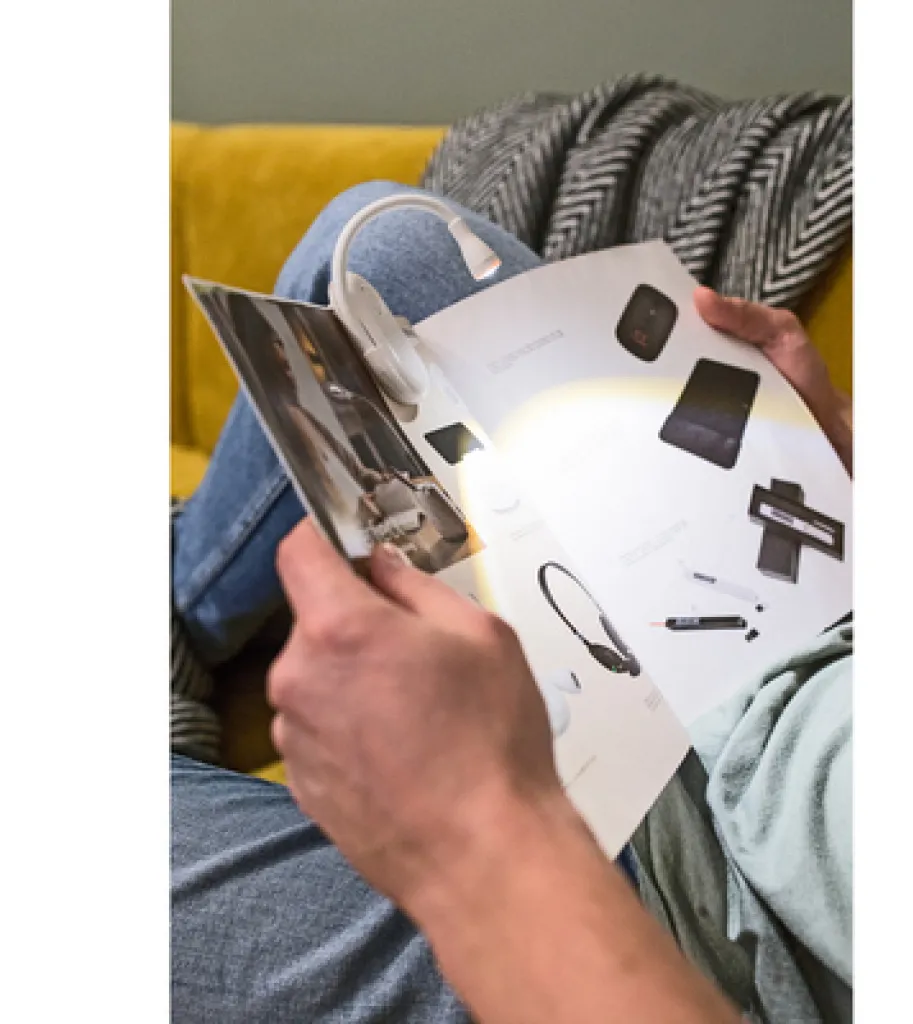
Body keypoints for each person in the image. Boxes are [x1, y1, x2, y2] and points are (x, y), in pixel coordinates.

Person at [171, 182, 853, 1024]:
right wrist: (839, 449)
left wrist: (487, 827)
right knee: (380, 246)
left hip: (696, 928)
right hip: (801, 642)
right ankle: (184, 613)